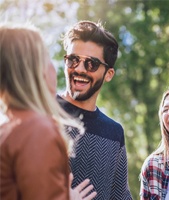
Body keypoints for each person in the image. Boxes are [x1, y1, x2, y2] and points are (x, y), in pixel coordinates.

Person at [0, 23, 88, 199]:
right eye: (47, 59)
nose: (53, 68)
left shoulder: (8, 130)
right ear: (35, 71)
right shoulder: (37, 131)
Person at [57, 20, 132, 200]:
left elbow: (120, 196)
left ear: (108, 74)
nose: (79, 69)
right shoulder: (37, 112)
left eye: (91, 64)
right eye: (73, 60)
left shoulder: (113, 133)